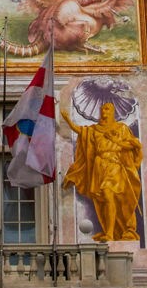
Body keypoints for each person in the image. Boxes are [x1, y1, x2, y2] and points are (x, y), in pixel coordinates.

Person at [61, 101, 142, 242]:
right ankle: (109, 231)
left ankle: (113, 233)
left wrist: (118, 144)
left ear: (113, 112)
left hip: (114, 165)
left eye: (108, 109)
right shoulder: (94, 130)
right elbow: (81, 131)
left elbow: (134, 144)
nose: (105, 111)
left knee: (111, 196)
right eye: (103, 109)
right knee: (104, 200)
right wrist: (68, 120)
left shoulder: (121, 128)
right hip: (100, 166)